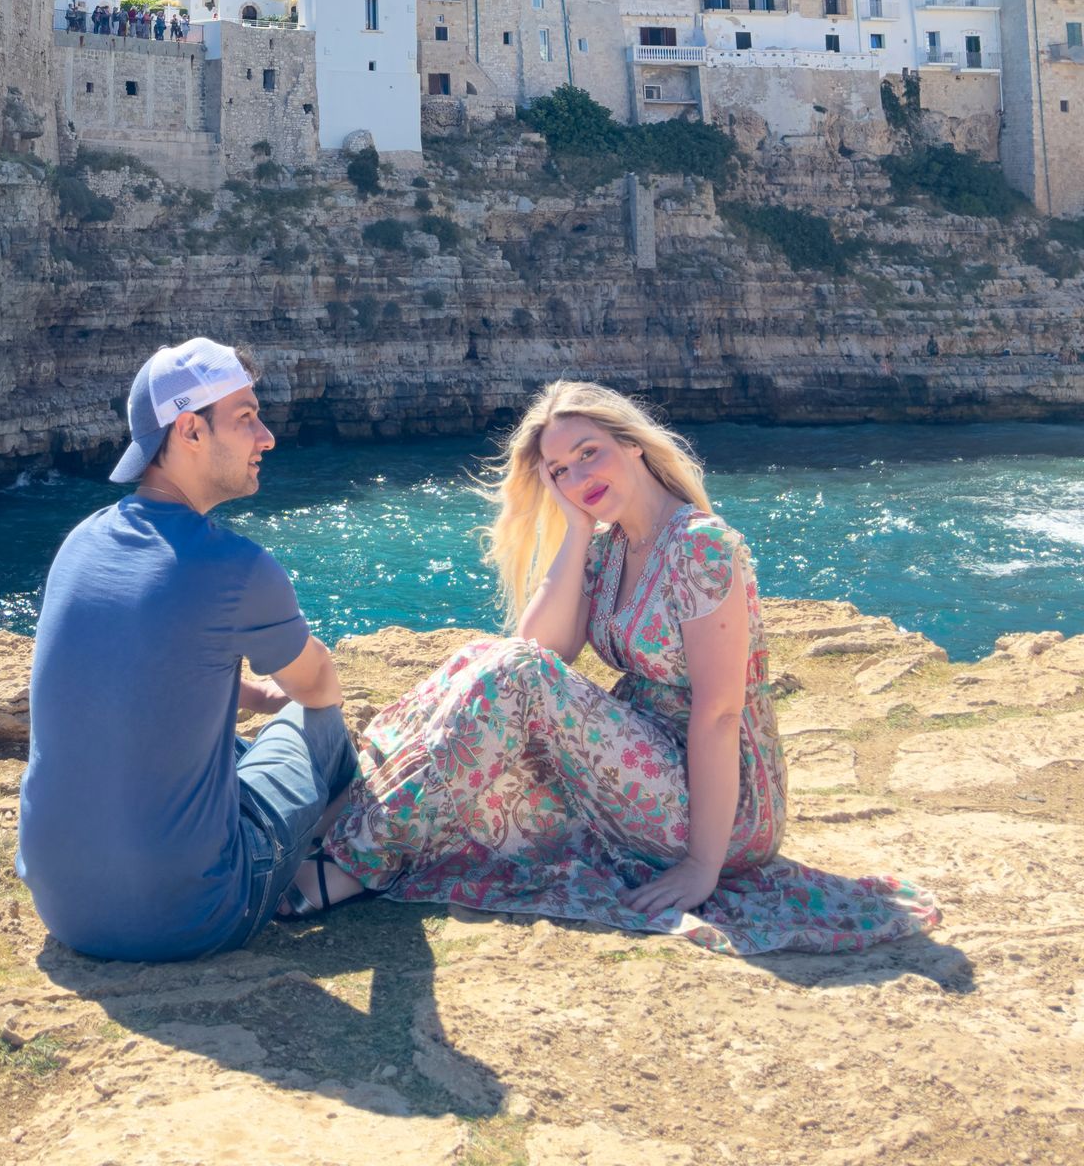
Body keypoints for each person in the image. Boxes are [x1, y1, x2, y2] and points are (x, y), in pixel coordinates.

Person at [295, 379, 941, 956]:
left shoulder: (701, 546)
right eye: (560, 470)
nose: (580, 476)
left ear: (632, 444)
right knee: (484, 658)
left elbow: (719, 713)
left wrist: (701, 866)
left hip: (723, 803)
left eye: (589, 453)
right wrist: (575, 528)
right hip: (648, 763)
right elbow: (536, 649)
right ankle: (344, 811)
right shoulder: (611, 548)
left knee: (512, 676)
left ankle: (350, 861)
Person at [17, 339, 357, 961]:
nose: (267, 437)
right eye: (246, 417)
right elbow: (320, 687)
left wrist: (250, 695)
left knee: (214, 737)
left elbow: (155, 673)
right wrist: (286, 701)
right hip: (193, 917)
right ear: (190, 430)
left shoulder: (80, 543)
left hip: (64, 907)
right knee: (322, 728)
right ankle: (325, 866)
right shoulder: (237, 566)